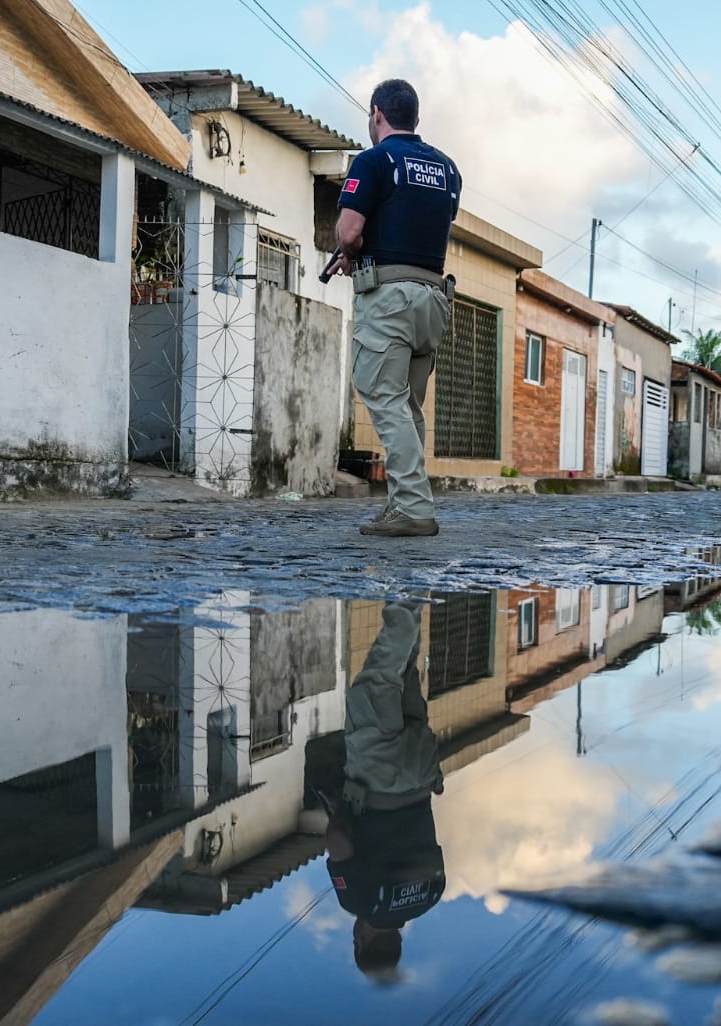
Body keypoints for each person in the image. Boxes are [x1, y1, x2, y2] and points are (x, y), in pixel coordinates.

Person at [333, 79, 462, 538]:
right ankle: (400, 506)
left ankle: (413, 507)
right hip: (434, 298)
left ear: (376, 114)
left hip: (389, 298)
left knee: (383, 397)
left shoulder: (373, 160)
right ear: (417, 120)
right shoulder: (448, 169)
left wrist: (349, 252)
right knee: (408, 404)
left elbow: (350, 233)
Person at [308, 602, 446, 978]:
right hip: (378, 777)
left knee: (402, 673)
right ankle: (407, 582)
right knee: (376, 681)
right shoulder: (361, 904)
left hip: (422, 773)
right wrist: (336, 808)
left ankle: (416, 592)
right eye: (356, 942)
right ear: (362, 941)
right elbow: (338, 839)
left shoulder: (430, 898)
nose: (355, 936)